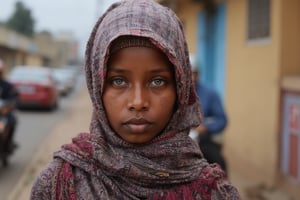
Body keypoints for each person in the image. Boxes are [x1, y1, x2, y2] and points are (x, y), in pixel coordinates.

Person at [30, 0, 240, 199]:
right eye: (118, 81)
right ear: (97, 87)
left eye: (158, 81)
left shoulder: (214, 192)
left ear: (181, 87)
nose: (138, 102)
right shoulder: (59, 185)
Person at [191, 63, 228, 173]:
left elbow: (222, 120)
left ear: (198, 74)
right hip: (179, 143)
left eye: (194, 73)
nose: (191, 77)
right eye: (188, 74)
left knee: (219, 166)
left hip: (203, 142)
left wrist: (206, 127)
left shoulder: (210, 93)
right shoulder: (174, 93)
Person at [0, 59, 18, 154]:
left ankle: (9, 142)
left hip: (4, 114)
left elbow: (14, 97)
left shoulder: (7, 86)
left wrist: (10, 106)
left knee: (12, 121)